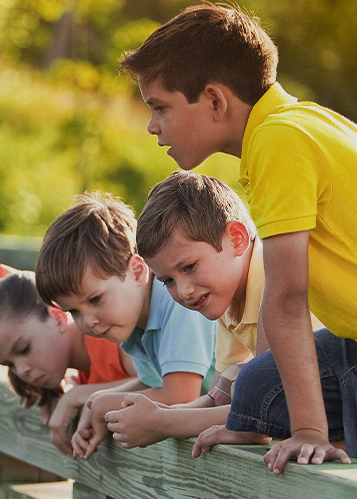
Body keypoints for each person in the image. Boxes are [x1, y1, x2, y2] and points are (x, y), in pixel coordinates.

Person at [120, 2, 357, 479]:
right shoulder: (299, 124)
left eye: (160, 107)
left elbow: (286, 298)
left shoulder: (280, 143)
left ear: (216, 101)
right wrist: (254, 419)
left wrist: (307, 432)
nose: (152, 125)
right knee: (260, 382)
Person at [103, 170, 323, 450]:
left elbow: (269, 408)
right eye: (168, 281)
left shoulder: (273, 277)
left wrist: (162, 423)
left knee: (249, 379)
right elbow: (218, 395)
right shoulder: (227, 300)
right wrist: (159, 414)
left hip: (355, 409)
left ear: (237, 239)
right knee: (236, 379)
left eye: (189, 267)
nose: (184, 291)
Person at [34, 193, 217, 459]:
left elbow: (181, 396)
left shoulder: (175, 302)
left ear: (137, 271)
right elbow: (149, 382)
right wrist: (96, 400)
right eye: (74, 311)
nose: (89, 321)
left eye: (95, 299)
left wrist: (107, 404)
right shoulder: (132, 322)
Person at [0, 266, 138, 455]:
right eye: (9, 364)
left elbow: (160, 383)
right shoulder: (82, 372)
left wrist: (78, 395)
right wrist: (71, 388)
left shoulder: (113, 337)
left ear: (57, 315)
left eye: (24, 349)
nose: (21, 371)